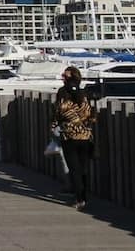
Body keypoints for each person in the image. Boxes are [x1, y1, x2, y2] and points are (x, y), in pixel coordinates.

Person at [53, 65, 96, 210]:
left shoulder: (62, 92)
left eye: (64, 76)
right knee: (83, 168)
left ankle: (79, 199)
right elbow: (91, 115)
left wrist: (53, 126)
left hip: (69, 135)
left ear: (69, 78)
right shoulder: (85, 93)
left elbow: (58, 112)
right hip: (85, 135)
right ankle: (83, 196)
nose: (62, 78)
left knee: (74, 168)